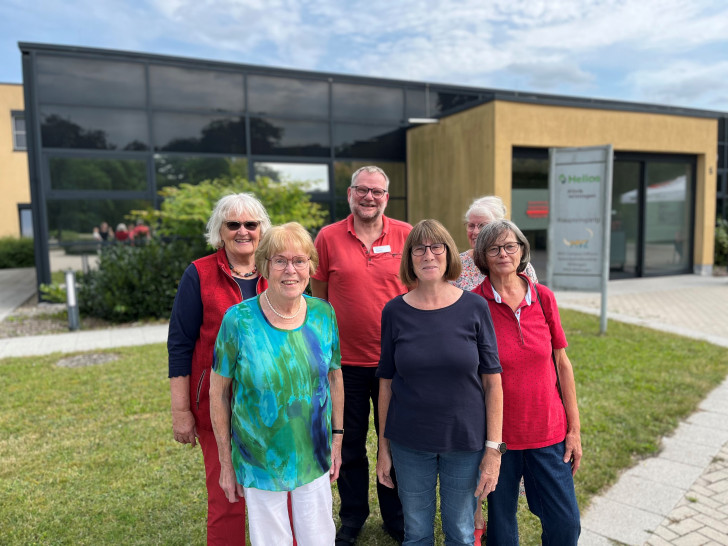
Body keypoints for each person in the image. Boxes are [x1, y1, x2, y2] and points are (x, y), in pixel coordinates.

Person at [210, 222, 344, 545]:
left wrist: (337, 440)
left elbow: (335, 377)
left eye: (299, 261)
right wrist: (226, 463)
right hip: (259, 457)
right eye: (280, 260)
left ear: (310, 267)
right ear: (264, 265)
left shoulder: (323, 314)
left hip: (312, 452)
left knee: (319, 538)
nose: (290, 270)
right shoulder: (238, 320)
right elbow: (218, 393)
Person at [375, 219, 504, 545]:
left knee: (460, 532)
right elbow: (386, 384)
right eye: (419, 248)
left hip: (464, 441)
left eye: (437, 247)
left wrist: (493, 450)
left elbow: (493, 382)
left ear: (448, 255)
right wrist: (383, 448)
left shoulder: (474, 307)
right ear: (410, 258)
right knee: (416, 532)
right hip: (409, 441)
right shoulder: (394, 312)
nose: (428, 255)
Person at [312, 165, 410, 544]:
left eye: (377, 191)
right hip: (345, 365)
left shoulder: (405, 234)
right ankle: (352, 516)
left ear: (387, 197)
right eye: (362, 190)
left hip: (398, 364)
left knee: (397, 441)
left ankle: (397, 516)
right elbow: (318, 298)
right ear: (350, 194)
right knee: (349, 443)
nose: (369, 197)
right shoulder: (328, 237)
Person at [167, 193, 271, 545]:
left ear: (262, 229)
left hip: (271, 409)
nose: (243, 231)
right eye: (233, 224)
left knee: (273, 497)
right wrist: (181, 411)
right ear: (220, 230)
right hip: (217, 407)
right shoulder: (199, 274)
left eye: (251, 224)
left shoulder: (279, 270)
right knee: (228, 497)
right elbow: (180, 345)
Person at [471, 220, 582, 545]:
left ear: (522, 251)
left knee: (565, 525)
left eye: (510, 246)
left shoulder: (543, 297)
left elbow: (562, 363)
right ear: (483, 256)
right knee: (502, 531)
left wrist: (573, 431)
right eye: (494, 248)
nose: (503, 253)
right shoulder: (474, 305)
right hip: (498, 439)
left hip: (548, 434)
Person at [453, 196, 537, 292]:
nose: (475, 232)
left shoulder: (519, 265)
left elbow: (536, 300)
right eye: (471, 226)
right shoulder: (455, 265)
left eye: (483, 225)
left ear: (500, 227)